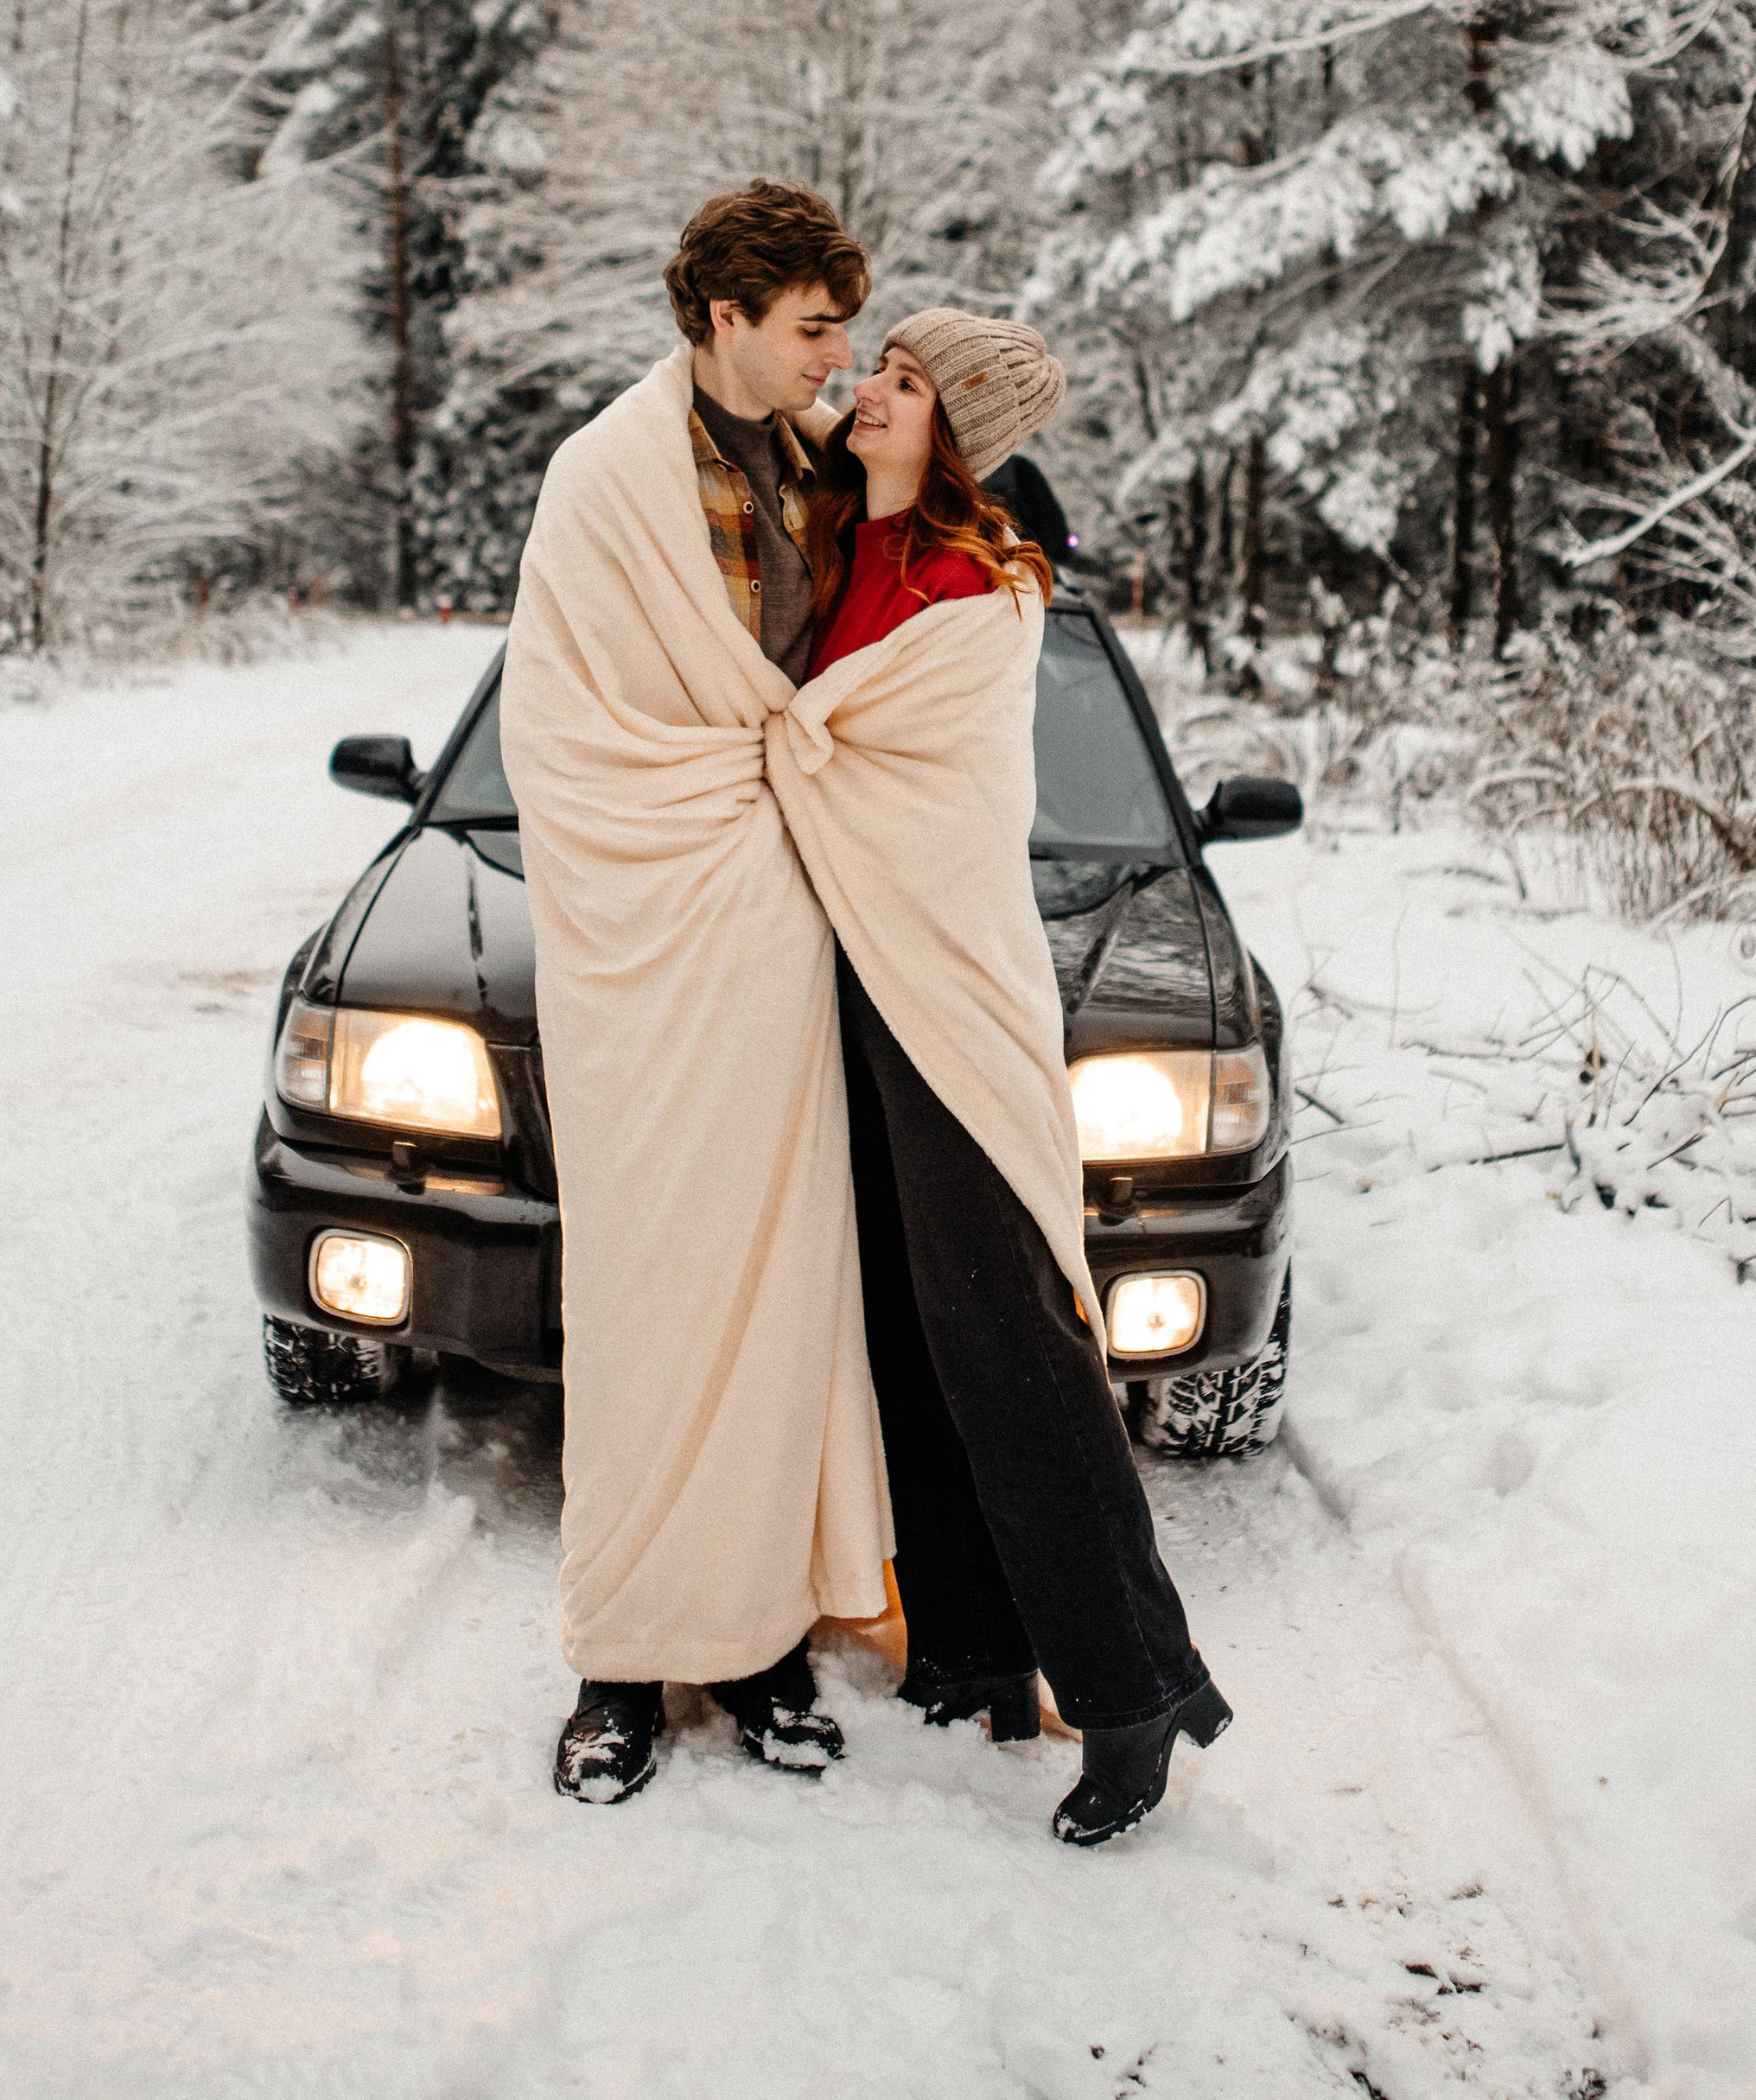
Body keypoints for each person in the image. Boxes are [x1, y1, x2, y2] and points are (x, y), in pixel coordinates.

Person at [792, 310, 1229, 1848]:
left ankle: (1135, 1688)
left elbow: (878, 766)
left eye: (904, 384)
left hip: (951, 987)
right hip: (850, 977)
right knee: (907, 1321)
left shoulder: (978, 591)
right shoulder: (841, 545)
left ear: (957, 430)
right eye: (879, 368)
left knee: (1009, 1328)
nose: (871, 394)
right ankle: (974, 1650)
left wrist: (791, 744)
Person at [500, 181, 886, 1803]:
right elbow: (563, 742)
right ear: (727, 316)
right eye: (812, 328)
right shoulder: (599, 483)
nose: (836, 356)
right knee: (651, 1291)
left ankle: (764, 1637)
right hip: (651, 951)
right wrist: (726, 826)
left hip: (786, 938)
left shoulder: (829, 475)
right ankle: (621, 1658)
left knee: (788, 1289)